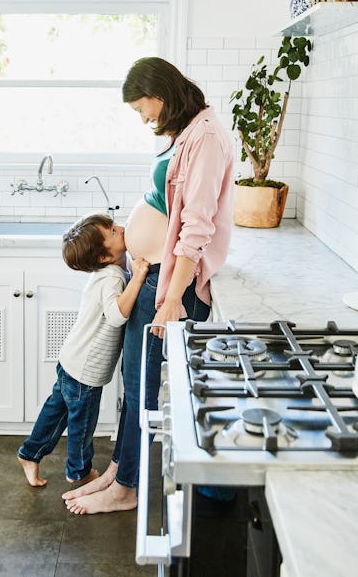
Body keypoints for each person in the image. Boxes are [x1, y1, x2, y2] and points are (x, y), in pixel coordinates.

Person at [64, 57, 235, 514]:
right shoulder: (189, 132)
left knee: (142, 387)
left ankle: (127, 488)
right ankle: (120, 472)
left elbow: (196, 228)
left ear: (161, 95)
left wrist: (173, 298)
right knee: (133, 383)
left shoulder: (207, 139)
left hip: (169, 285)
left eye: (143, 108)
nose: (143, 118)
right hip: (155, 276)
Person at [17, 213, 149, 488]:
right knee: (82, 424)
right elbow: (116, 315)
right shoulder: (112, 276)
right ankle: (77, 471)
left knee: (56, 413)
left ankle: (30, 454)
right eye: (113, 231)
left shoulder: (109, 270)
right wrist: (138, 279)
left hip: (71, 361)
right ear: (103, 257)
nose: (121, 229)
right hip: (86, 371)